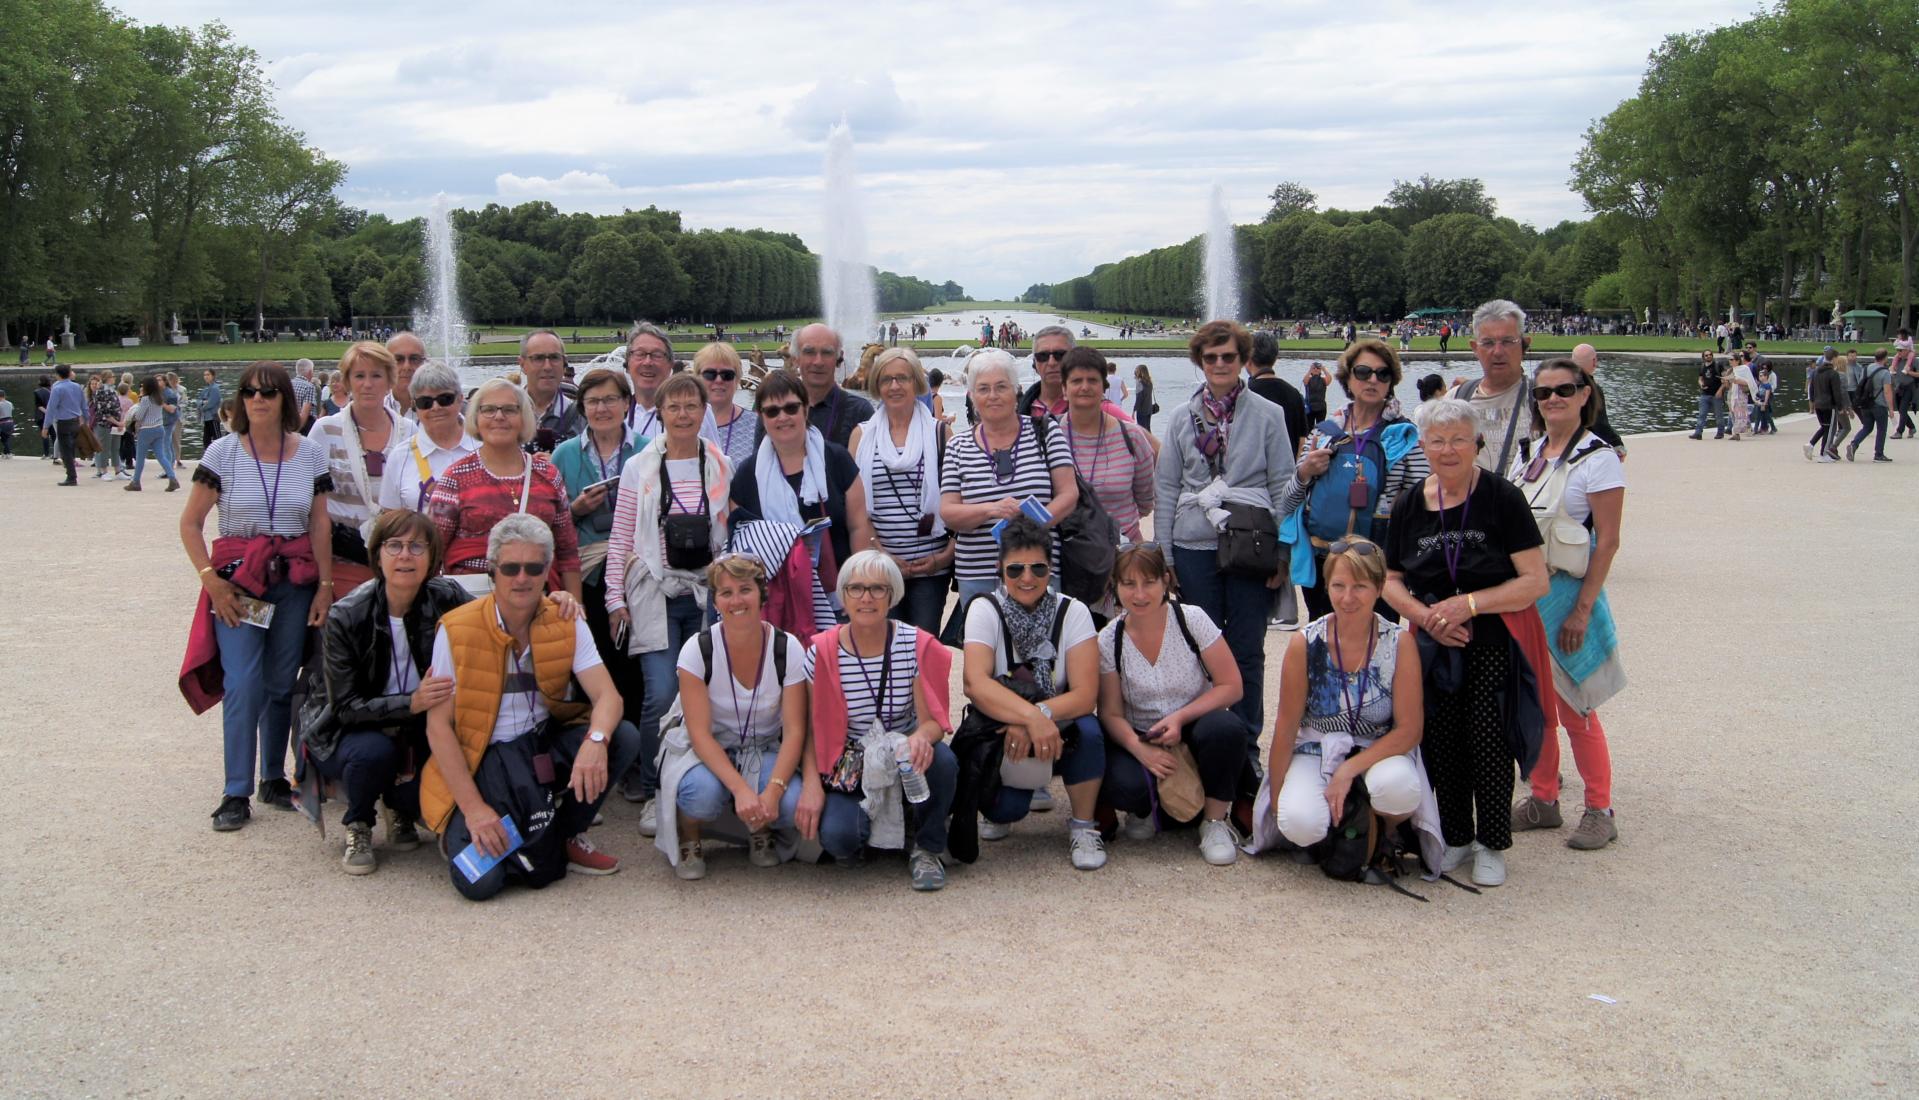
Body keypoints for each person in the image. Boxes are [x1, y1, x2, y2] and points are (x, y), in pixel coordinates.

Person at [421, 515, 643, 899]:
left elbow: (609, 698)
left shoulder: (566, 619)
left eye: (533, 567)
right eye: (510, 568)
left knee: (620, 737)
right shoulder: (456, 629)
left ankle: (565, 833)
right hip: (482, 762)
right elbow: (438, 728)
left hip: (537, 750)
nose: (521, 578)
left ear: (547, 572)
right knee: (481, 885)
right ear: (493, 572)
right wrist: (474, 809)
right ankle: (479, 826)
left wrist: (595, 740)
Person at [1382, 398, 1551, 887]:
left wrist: (1469, 605)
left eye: (1458, 439)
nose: (1448, 449)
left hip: (1494, 636)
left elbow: (1535, 580)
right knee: (1441, 738)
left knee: (1489, 737)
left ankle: (1493, 841)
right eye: (1438, 440)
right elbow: (1391, 579)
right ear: (1423, 446)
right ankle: (1455, 834)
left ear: (1476, 443)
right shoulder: (1412, 503)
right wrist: (1426, 617)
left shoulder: (1502, 498)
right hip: (1433, 642)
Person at [178, 361, 335, 832]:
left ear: (285, 398)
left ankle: (272, 778)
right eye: (249, 392)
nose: (258, 399)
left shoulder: (309, 455)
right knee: (243, 682)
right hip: (240, 584)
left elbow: (319, 522)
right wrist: (211, 581)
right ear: (241, 400)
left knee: (281, 681)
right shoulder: (223, 454)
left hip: (292, 582)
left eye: (268, 392)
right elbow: (190, 524)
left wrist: (325, 587)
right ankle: (235, 791)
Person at [1255, 538, 1440, 873]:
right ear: (1327, 587)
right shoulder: (1305, 643)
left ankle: (1382, 831)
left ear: (1380, 587)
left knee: (1398, 788)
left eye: (1360, 586)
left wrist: (1348, 770)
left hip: (1377, 748)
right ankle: (1333, 833)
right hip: (1316, 747)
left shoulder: (1399, 642)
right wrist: (1277, 800)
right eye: (1338, 586)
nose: (1347, 598)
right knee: (1299, 821)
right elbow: (1286, 726)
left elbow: (1410, 729)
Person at [301, 510, 470, 874]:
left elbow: (497, 618)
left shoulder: (448, 596)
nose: (405, 555)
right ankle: (358, 823)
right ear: (377, 554)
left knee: (456, 746)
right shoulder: (346, 614)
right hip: (347, 730)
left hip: (417, 724)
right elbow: (344, 707)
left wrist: (555, 605)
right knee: (373, 752)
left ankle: (402, 807)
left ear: (433, 556)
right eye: (394, 545)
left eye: (416, 546)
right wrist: (412, 702)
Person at [605, 373, 734, 826]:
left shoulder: (719, 464)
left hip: (703, 594)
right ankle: (654, 791)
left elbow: (725, 536)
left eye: (691, 406)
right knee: (660, 694)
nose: (683, 415)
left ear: (704, 411)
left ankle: (696, 783)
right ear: (660, 411)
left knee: (702, 694)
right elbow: (621, 536)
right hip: (654, 592)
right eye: (674, 406)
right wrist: (613, 598)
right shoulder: (639, 467)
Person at [1507, 360, 1625, 852]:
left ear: (1584, 394)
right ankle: (1544, 797)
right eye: (1543, 392)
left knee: (1578, 707)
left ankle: (1600, 809)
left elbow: (1608, 542)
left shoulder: (1599, 459)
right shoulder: (1530, 452)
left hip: (1564, 596)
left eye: (1564, 390)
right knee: (1535, 706)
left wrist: (1582, 610)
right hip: (1525, 595)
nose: (1552, 399)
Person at [1156, 320, 1296, 732]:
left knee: (1248, 649)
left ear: (1243, 360)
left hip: (1251, 543)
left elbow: (1283, 485)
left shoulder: (1269, 414)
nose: (1219, 364)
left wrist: (1283, 553)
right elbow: (1166, 488)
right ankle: (1210, 739)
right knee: (1201, 647)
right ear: (1200, 362)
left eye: (1228, 356)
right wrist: (1165, 555)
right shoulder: (1183, 417)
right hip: (1194, 544)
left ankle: (1248, 745)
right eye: (1211, 357)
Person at [806, 550, 958, 891]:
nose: (866, 598)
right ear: (843, 595)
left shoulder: (916, 644)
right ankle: (884, 826)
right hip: (850, 758)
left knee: (943, 760)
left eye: (878, 588)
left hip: (904, 750)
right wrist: (812, 785)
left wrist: (921, 736)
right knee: (840, 840)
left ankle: (927, 847)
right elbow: (811, 730)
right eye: (856, 588)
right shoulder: (821, 651)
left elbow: (933, 721)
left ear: (892, 595)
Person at [654, 555, 814, 880]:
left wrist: (773, 791)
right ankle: (690, 834)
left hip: (764, 746)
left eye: (745, 589)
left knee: (790, 803)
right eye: (725, 593)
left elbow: (796, 730)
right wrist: (741, 790)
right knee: (701, 796)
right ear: (715, 601)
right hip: (704, 750)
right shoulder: (696, 650)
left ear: (761, 594)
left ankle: (759, 825)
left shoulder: (788, 648)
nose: (736, 600)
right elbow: (699, 734)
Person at [961, 517, 1107, 869]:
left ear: (1050, 567)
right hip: (1005, 724)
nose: (1027, 578)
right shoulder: (984, 608)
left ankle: (1084, 826)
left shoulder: (1073, 611)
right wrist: (1028, 717)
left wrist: (1041, 716)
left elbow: (1086, 695)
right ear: (1000, 568)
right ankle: (1002, 808)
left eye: (1038, 568)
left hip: (1060, 723)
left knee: (1089, 731)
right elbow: (974, 683)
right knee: (1005, 808)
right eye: (1016, 569)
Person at [1095, 543, 1252, 864]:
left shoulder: (1191, 619)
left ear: (1165, 581)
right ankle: (1148, 809)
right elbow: (1109, 712)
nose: (1139, 594)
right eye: (1128, 584)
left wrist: (1181, 717)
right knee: (1124, 784)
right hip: (1143, 733)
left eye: (1149, 582)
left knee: (1226, 729)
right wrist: (1140, 749)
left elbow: (1232, 686)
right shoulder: (1109, 638)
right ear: (1115, 585)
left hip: (1196, 726)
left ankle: (1214, 820)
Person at [1280, 338, 1427, 620]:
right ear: (1348, 377)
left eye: (1382, 374)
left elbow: (1425, 503)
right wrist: (1305, 472)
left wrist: (1398, 506)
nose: (1372, 380)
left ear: (1391, 380)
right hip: (1326, 560)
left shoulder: (1405, 435)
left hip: (1378, 564)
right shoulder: (1323, 433)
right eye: (1363, 372)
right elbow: (1287, 503)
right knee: (1323, 639)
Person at [730, 368, 875, 624]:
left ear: (805, 409)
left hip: (838, 596)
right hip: (776, 600)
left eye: (791, 408)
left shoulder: (837, 459)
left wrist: (859, 584)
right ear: (761, 416)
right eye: (772, 411)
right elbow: (739, 543)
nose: (783, 417)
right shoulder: (746, 474)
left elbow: (858, 526)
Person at [940, 349, 1080, 614]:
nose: (992, 396)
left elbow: (1068, 494)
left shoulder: (1046, 431)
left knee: (1044, 648)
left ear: (1016, 392)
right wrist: (992, 509)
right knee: (987, 649)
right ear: (972, 396)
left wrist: (1029, 531)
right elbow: (948, 511)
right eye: (983, 389)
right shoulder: (957, 446)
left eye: (1001, 387)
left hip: (1037, 567)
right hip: (979, 571)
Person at [551, 366, 648, 725]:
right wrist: (576, 510)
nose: (601, 408)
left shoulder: (649, 450)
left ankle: (634, 735)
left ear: (627, 403)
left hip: (634, 569)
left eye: (609, 399)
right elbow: (553, 523)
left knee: (634, 660)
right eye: (592, 401)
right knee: (595, 656)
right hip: (586, 572)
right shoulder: (564, 455)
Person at [424, 378, 582, 599]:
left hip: (535, 598)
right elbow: (432, 550)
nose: (499, 417)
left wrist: (576, 608)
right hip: (472, 603)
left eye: (509, 409)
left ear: (524, 417)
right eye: (488, 410)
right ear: (476, 418)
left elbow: (567, 552)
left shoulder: (547, 475)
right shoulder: (456, 478)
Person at [848, 348, 954, 634]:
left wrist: (941, 560)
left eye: (903, 378)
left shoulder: (940, 434)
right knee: (883, 650)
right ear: (877, 386)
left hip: (930, 569)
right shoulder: (861, 435)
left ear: (916, 383)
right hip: (880, 566)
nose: (894, 386)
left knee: (923, 649)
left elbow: (956, 499)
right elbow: (855, 508)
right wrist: (880, 553)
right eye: (886, 379)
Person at [309, 342, 417, 592]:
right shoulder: (325, 430)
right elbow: (312, 507)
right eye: (359, 376)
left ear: (390, 380)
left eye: (376, 375)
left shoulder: (409, 432)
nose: (368, 384)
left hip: (396, 563)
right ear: (347, 381)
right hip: (341, 561)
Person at [1059, 347, 1155, 545]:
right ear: (1064, 389)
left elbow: (1146, 501)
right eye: (1076, 380)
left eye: (1092, 380)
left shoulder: (1132, 436)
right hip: (1068, 554)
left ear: (1103, 387)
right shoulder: (1048, 437)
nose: (1085, 387)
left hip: (1122, 551)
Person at [377, 361, 479, 512]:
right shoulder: (400, 456)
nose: (436, 407)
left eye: (445, 399)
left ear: (460, 399)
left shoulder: (485, 446)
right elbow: (390, 517)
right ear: (415, 405)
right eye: (425, 402)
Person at [1451, 300, 1535, 473]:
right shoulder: (1455, 401)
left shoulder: (1545, 398)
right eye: (1488, 343)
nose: (1497, 351)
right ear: (1475, 348)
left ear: (1524, 345)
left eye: (1507, 341)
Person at [777, 323, 873, 451]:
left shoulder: (860, 411)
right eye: (809, 352)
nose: (818, 362)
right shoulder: (773, 410)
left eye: (827, 352)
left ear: (839, 358)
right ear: (795, 359)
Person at [693, 341, 757, 471]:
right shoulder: (680, 422)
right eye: (710, 374)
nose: (718, 380)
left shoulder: (757, 425)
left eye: (727, 375)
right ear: (697, 378)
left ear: (737, 380)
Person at [1248, 331, 1309, 452]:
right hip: (1288, 467)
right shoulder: (1294, 394)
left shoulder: (1244, 395)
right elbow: (1302, 440)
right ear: (1276, 357)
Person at [122, 376, 180, 492]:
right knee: (161, 456)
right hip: (159, 428)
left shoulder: (146, 399)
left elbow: (139, 416)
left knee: (140, 458)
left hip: (146, 430)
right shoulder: (158, 398)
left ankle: (136, 482)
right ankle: (173, 478)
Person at [1568, 344, 1625, 455]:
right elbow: (1599, 423)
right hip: (1585, 447)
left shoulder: (1562, 385)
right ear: (1594, 361)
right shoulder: (1592, 389)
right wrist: (1617, 443)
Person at [1846, 348, 1894, 462]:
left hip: (1866, 403)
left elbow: (1861, 384)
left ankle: (1854, 444)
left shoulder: (1867, 368)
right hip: (1879, 404)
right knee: (1881, 429)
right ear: (1885, 358)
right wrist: (1891, 409)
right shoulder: (1885, 372)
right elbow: (1887, 391)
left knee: (1867, 427)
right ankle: (1879, 454)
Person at [42, 363, 87, 485]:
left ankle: (71, 477)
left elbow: (51, 408)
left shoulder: (57, 389)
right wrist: (86, 420)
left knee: (65, 450)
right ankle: (71, 474)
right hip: (76, 421)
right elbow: (84, 405)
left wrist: (46, 426)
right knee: (70, 448)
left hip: (64, 422)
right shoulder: (77, 386)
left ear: (57, 375)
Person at [1806, 352, 1847, 463]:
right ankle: (1823, 454)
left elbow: (1811, 388)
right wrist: (1840, 407)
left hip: (1818, 403)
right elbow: (1836, 392)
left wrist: (1813, 401)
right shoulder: (1833, 374)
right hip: (1829, 405)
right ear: (1834, 358)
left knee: (1824, 427)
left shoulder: (1815, 372)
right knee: (1829, 430)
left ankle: (1811, 444)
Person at [90, 370, 125, 479]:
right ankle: (103, 471)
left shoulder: (113, 390)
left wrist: (120, 422)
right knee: (104, 448)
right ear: (106, 378)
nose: (114, 378)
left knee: (115, 447)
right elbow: (103, 411)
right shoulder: (101, 391)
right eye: (112, 376)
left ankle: (118, 470)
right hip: (105, 424)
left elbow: (117, 406)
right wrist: (117, 422)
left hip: (116, 424)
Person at [385, 331, 427, 416]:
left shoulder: (441, 410)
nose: (406, 367)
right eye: (398, 359)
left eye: (414, 359)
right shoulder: (373, 410)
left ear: (425, 363)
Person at [290, 359, 319, 432]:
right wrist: (296, 432)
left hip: (288, 423)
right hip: (304, 428)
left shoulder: (288, 384)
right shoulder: (309, 387)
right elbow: (304, 413)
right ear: (310, 372)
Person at [199, 369, 223, 447]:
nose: (206, 377)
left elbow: (211, 403)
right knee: (206, 439)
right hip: (206, 418)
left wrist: (202, 407)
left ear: (213, 376)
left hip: (213, 417)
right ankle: (208, 456)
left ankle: (221, 456)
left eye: (208, 375)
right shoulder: (206, 389)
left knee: (217, 438)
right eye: (204, 375)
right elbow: (198, 401)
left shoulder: (215, 388)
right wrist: (202, 402)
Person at [1132, 364, 1155, 431]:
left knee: (1142, 430)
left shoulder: (1139, 383)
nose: (1135, 372)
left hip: (1142, 410)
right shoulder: (1150, 382)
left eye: (1136, 371)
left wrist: (1134, 410)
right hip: (1149, 408)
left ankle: (1145, 441)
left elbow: (1139, 399)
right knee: (1148, 428)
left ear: (1140, 372)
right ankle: (1151, 441)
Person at [0, 392, 13, 457]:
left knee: (4, 439)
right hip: (10, 422)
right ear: (4, 396)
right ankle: (5, 453)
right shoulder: (10, 403)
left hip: (2, 423)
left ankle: (9, 453)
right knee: (7, 438)